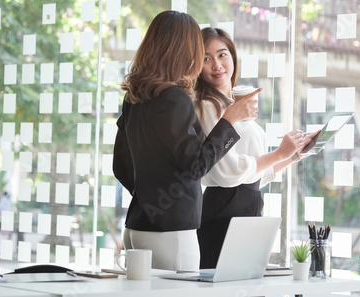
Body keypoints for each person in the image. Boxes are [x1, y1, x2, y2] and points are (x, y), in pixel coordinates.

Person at [112, 11, 269, 271]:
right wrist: (228, 121)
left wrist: (151, 198)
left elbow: (121, 166)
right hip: (172, 232)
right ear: (185, 50)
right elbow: (195, 166)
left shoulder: (134, 99)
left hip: (137, 227)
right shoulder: (175, 98)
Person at [195, 27, 320, 269]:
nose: (216, 65)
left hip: (246, 206)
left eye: (222, 55)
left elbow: (253, 175)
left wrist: (292, 155)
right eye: (206, 59)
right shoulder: (208, 106)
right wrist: (278, 154)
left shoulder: (233, 105)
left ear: (233, 57)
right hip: (223, 211)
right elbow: (227, 173)